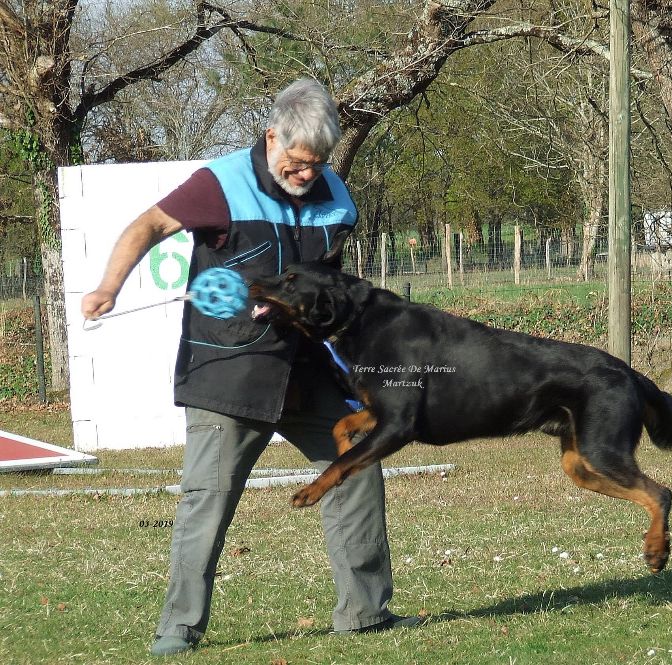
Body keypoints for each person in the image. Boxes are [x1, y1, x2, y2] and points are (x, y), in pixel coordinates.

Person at [81, 78, 422, 657]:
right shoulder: (219, 184)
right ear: (271, 138)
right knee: (208, 499)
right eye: (297, 162)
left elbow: (331, 282)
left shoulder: (337, 197)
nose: (306, 174)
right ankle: (179, 628)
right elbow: (148, 226)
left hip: (310, 370)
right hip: (230, 368)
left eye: (317, 165)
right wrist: (108, 286)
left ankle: (366, 613)